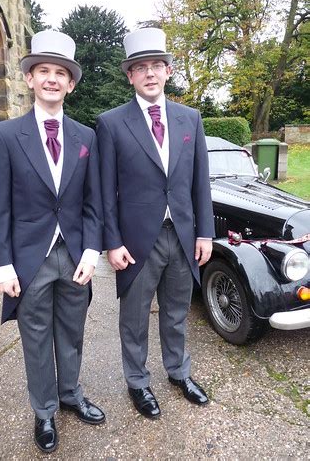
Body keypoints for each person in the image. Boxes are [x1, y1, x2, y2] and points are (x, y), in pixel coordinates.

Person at [0, 30, 105, 453]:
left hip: (74, 256)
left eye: (60, 73)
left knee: (72, 332)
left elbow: (94, 202)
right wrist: (3, 266)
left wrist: (92, 252)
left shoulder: (86, 137)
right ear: (30, 79)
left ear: (71, 84)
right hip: (30, 259)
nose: (52, 79)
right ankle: (44, 410)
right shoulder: (6, 135)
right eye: (44, 71)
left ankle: (71, 395)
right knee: (36, 338)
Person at [97, 27, 215, 419]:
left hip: (181, 238)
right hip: (135, 243)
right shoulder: (111, 124)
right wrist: (112, 243)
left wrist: (205, 233)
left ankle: (179, 372)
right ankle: (138, 382)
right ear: (130, 75)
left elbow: (200, 182)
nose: (150, 73)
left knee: (176, 312)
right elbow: (104, 190)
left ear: (167, 71)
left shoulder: (190, 119)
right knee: (133, 318)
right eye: (140, 67)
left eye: (157, 66)